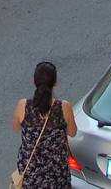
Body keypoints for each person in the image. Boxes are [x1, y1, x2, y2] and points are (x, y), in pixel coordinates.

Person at [11, 61, 77, 189]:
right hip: (58, 176)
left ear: (34, 81)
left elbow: (16, 127)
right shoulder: (64, 107)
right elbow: (72, 132)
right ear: (55, 82)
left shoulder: (23, 105)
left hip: (31, 176)